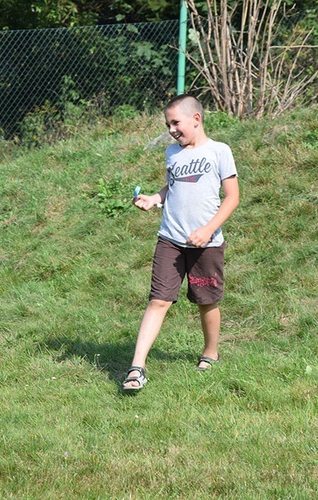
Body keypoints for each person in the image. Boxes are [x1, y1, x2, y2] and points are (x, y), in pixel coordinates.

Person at [123, 94, 239, 391]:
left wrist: (208, 229)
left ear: (196, 119)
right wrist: (154, 198)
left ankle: (210, 351)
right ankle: (137, 367)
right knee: (158, 300)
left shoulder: (219, 151)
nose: (172, 129)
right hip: (170, 240)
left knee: (206, 301)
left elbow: (233, 197)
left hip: (207, 244)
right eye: (168, 124)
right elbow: (172, 186)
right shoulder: (172, 153)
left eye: (176, 122)